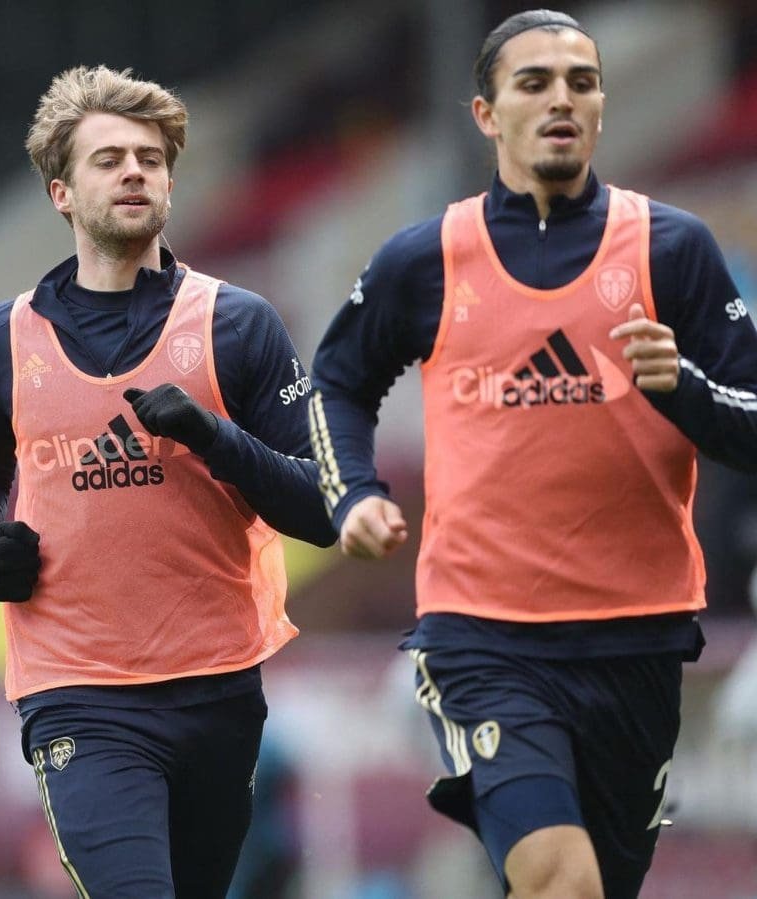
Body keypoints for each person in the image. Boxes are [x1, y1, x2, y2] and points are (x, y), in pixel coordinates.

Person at [309, 9, 757, 899]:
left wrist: (685, 390)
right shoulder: (426, 259)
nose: (561, 99)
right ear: (486, 113)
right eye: (534, 82)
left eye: (580, 83)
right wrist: (351, 492)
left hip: (638, 639)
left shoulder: (674, 249)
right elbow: (336, 382)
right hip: (483, 637)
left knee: (599, 884)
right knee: (563, 878)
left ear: (601, 107)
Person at [0, 65, 335, 899]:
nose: (134, 172)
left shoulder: (238, 324)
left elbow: (325, 505)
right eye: (110, 158)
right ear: (61, 192)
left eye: (151, 159)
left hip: (219, 692)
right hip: (76, 695)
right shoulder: (0, 340)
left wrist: (216, 438)